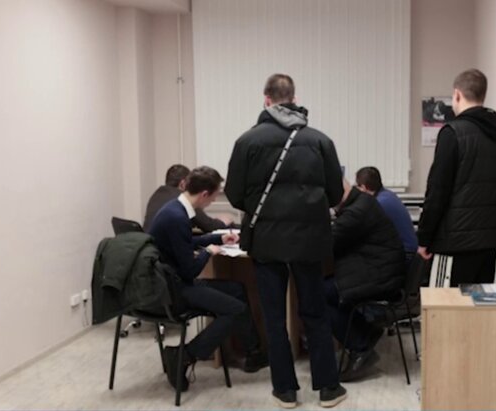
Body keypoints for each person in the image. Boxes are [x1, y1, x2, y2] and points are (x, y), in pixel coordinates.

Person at [225, 74, 347, 409]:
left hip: (266, 242)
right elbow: (335, 193)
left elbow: (234, 194)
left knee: (274, 316)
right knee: (315, 312)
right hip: (309, 241)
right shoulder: (320, 141)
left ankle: (285, 390)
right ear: (293, 99)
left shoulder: (247, 141)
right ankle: (328, 388)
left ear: (266, 99)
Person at [147, 166, 268, 392]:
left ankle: (253, 352)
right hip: (174, 290)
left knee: (236, 289)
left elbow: (184, 243)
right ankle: (184, 355)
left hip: (172, 281)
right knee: (234, 309)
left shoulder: (174, 209)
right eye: (213, 197)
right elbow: (191, 270)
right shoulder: (177, 217)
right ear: (204, 194)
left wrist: (217, 239)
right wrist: (208, 252)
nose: (212, 201)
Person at [417, 69, 496, 285]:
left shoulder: (452, 133)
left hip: (455, 242)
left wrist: (424, 238)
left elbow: (438, 191)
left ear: (457, 95)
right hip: (491, 241)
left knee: (444, 303)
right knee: (477, 303)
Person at [326, 178, 405, 382]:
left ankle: (359, 347)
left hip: (379, 275)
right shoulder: (363, 202)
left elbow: (328, 245)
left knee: (317, 296)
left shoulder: (355, 212)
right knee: (328, 288)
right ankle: (365, 332)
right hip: (381, 270)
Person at [143, 164, 233, 232]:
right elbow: (208, 225)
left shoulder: (158, 194)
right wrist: (223, 222)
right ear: (183, 184)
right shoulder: (182, 202)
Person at [355, 166, 418, 257]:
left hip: (404, 253)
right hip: (408, 250)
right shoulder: (387, 195)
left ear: (363, 187)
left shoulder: (380, 203)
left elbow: (364, 230)